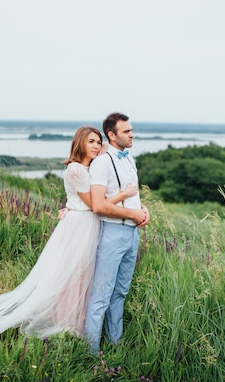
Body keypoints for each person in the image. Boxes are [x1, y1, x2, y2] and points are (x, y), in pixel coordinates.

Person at [0, 126, 137, 339]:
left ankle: (78, 321)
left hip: (88, 224)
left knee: (85, 275)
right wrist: (124, 194)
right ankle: (67, 323)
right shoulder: (75, 169)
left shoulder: (90, 168)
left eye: (98, 142)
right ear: (80, 143)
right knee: (72, 275)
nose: (95, 146)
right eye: (90, 141)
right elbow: (95, 204)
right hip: (80, 227)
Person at [84, 112, 150, 354]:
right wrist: (132, 215)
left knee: (120, 292)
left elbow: (132, 197)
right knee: (101, 295)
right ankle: (89, 352)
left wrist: (143, 210)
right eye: (126, 131)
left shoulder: (129, 159)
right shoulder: (102, 162)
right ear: (112, 135)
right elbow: (99, 205)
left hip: (132, 235)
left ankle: (115, 346)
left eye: (131, 130)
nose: (132, 134)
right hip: (113, 233)